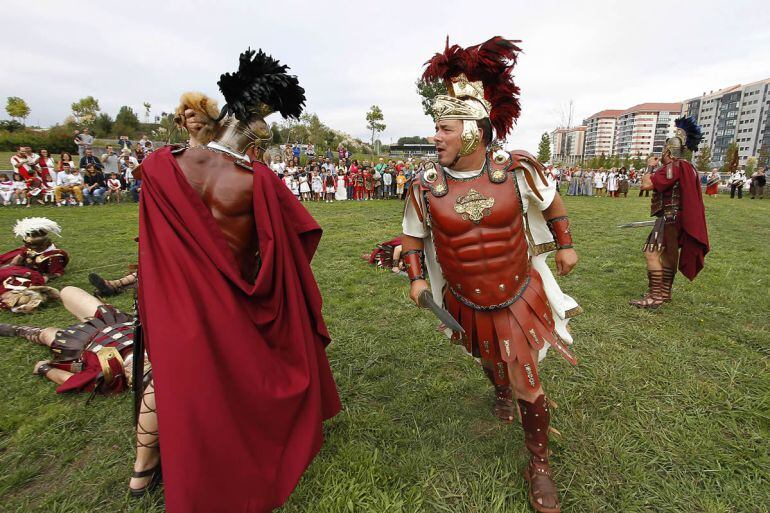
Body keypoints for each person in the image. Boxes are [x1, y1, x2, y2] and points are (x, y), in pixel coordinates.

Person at [129, 49, 340, 511]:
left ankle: (141, 470)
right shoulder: (259, 181)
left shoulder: (161, 167)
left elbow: (152, 246)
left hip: (176, 303)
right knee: (242, 368)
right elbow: (299, 238)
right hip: (234, 299)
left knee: (169, 376)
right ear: (254, 127)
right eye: (266, 123)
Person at [402, 37, 580, 513]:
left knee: (527, 378)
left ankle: (538, 465)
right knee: (484, 353)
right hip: (464, 295)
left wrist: (565, 245)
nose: (435, 136)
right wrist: (417, 278)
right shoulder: (424, 184)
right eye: (435, 128)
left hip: (517, 290)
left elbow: (552, 202)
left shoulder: (517, 169)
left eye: (443, 127)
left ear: (473, 131)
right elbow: (413, 237)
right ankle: (496, 388)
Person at [631, 117, 709, 309]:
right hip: (678, 219)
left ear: (668, 151)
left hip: (669, 218)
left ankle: (655, 296)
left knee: (651, 253)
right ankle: (665, 293)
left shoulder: (674, 167)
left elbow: (646, 184)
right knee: (668, 256)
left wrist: (650, 166)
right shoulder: (689, 167)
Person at [0, 287, 137, 394]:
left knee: (47, 334)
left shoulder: (111, 375)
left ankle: (22, 330)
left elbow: (70, 380)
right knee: (68, 291)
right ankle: (45, 295)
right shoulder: (156, 347)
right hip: (115, 322)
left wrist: (43, 368)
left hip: (81, 341)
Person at [0, 217, 69, 281]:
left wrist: (44, 278)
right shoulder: (28, 248)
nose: (28, 247)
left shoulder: (54, 256)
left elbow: (57, 273)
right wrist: (9, 267)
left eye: (32, 246)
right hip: (22, 270)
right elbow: (17, 260)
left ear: (43, 245)